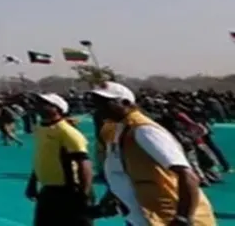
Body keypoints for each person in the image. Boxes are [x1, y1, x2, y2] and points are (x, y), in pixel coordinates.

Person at [89, 82, 215, 226]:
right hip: (143, 216)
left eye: (106, 102)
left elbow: (187, 175)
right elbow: (120, 170)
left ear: (125, 103)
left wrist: (183, 217)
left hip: (167, 217)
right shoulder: (114, 129)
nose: (99, 108)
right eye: (96, 103)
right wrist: (112, 198)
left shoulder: (144, 131)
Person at [26, 93, 93, 226]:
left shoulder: (67, 132)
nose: (38, 106)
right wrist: (33, 182)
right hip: (49, 190)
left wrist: (83, 195)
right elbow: (42, 157)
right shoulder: (41, 129)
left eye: (45, 103)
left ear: (57, 109)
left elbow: (84, 164)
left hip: (70, 191)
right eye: (38, 102)